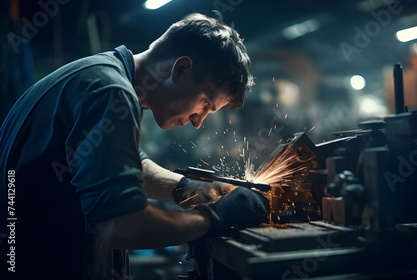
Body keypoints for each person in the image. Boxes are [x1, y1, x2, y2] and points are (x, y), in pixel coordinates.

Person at [0, 13, 269, 280]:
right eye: (205, 104)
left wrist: (192, 189)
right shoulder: (109, 92)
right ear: (181, 69)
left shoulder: (103, 77)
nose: (199, 122)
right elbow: (120, 226)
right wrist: (214, 218)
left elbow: (126, 166)